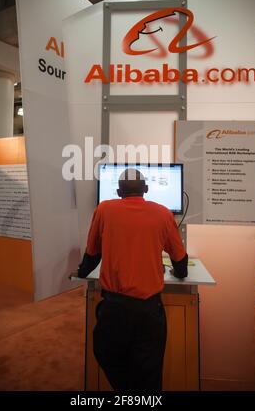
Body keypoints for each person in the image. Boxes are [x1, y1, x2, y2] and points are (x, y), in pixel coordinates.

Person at [76, 168, 188, 392]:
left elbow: (92, 253)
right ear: (146, 190)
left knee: (106, 353)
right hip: (149, 309)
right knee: (150, 369)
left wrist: (81, 272)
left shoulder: (104, 209)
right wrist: (179, 273)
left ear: (118, 191)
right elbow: (180, 260)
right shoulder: (163, 213)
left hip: (114, 308)